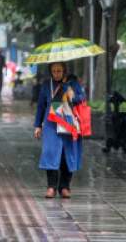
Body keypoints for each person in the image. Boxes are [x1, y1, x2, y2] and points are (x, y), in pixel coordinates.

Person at [33, 62, 86, 199]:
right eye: (54, 71)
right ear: (51, 71)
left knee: (67, 154)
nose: (56, 73)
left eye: (59, 71)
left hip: (68, 123)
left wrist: (72, 95)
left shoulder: (72, 83)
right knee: (50, 153)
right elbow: (40, 106)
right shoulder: (46, 85)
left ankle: (65, 186)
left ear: (64, 71)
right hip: (51, 124)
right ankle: (51, 187)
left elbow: (82, 98)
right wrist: (38, 125)